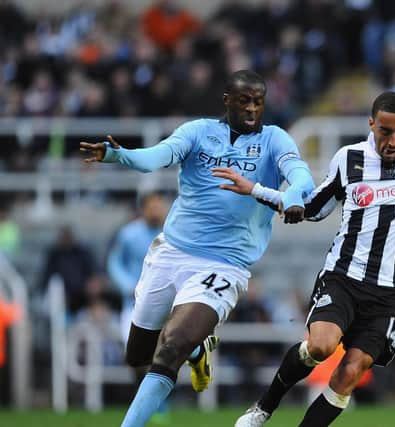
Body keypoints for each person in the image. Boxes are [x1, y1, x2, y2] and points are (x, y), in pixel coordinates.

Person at [215, 31, 395, 427]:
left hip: (390, 293)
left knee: (350, 372)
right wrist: (261, 192)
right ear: (371, 124)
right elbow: (315, 208)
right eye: (386, 131)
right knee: (320, 347)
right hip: (345, 278)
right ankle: (263, 407)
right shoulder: (348, 159)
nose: (394, 141)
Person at [79, 69, 314, 427]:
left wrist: (294, 198)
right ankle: (197, 347)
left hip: (225, 265)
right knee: (138, 355)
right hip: (171, 253)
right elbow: (155, 157)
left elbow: (301, 177)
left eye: (258, 101)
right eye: (244, 100)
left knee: (169, 347)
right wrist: (117, 156)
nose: (252, 109)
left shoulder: (274, 139)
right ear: (227, 100)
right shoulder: (198, 132)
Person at [107, 192, 169, 423]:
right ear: (143, 208)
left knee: (164, 353)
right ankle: (141, 400)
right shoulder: (128, 234)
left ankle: (160, 407)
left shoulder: (171, 232)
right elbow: (114, 262)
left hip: (164, 304)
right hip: (132, 304)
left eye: (160, 206)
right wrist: (126, 284)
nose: (157, 210)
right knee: (135, 355)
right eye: (153, 206)